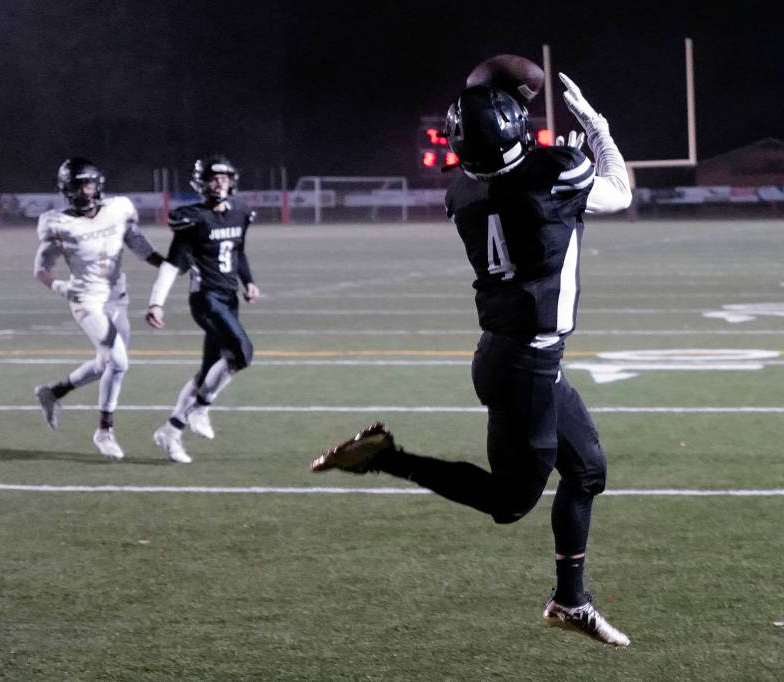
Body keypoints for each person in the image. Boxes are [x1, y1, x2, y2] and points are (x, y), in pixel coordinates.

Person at [312, 74, 633, 646]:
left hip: (515, 357)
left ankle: (570, 599)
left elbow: (514, 173)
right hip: (524, 367)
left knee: (588, 472)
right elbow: (618, 190)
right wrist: (597, 128)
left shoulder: (460, 192)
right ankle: (385, 459)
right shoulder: (553, 177)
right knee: (509, 504)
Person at [33, 157, 164, 459]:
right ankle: (104, 431)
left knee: (106, 363)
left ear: (98, 184)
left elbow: (138, 244)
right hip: (86, 300)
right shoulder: (58, 223)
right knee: (119, 362)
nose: (84, 192)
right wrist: (59, 286)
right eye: (77, 186)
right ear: (67, 190)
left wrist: (166, 264)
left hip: (117, 297)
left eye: (88, 184)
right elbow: (41, 269)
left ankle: (53, 393)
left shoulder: (118, 209)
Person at [145, 155, 260, 464]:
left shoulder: (240, 212)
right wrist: (156, 302)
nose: (220, 181)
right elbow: (173, 264)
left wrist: (248, 281)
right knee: (243, 353)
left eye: (224, 176)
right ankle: (203, 407)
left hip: (229, 297)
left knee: (209, 369)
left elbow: (238, 251)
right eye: (213, 177)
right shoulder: (192, 218)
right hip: (205, 299)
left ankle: (170, 432)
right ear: (201, 183)